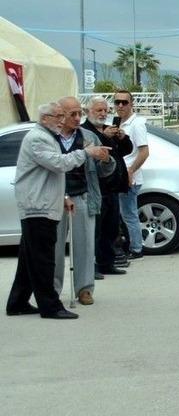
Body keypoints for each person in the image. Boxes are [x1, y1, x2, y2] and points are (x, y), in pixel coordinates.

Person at [6, 102, 110, 319]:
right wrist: (86, 152)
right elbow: (59, 164)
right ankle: (50, 306)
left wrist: (62, 197)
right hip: (38, 207)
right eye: (58, 116)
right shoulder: (39, 138)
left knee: (29, 259)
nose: (62, 120)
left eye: (66, 115)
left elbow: (51, 174)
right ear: (45, 119)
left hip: (44, 203)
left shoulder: (46, 136)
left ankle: (17, 302)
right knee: (44, 259)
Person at [53, 96, 117, 306]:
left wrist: (106, 160)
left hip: (82, 195)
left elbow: (104, 170)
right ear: (60, 115)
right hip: (55, 198)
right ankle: (52, 290)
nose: (77, 118)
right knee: (54, 247)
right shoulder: (50, 137)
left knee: (85, 246)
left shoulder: (88, 136)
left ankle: (85, 289)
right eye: (73, 114)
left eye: (79, 113)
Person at [82, 96, 133, 273]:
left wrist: (122, 137)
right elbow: (91, 155)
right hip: (96, 189)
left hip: (112, 188)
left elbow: (126, 151)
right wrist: (103, 137)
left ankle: (107, 263)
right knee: (94, 230)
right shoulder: (84, 132)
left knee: (110, 229)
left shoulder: (108, 130)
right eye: (99, 110)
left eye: (105, 110)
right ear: (88, 112)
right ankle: (91, 268)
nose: (103, 114)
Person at [114, 90, 149, 261]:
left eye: (124, 102)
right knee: (123, 214)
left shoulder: (136, 124)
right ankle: (131, 246)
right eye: (117, 102)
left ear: (131, 104)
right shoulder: (118, 123)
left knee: (129, 214)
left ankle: (136, 248)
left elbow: (144, 152)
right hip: (119, 175)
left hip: (129, 177)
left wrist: (130, 171)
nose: (120, 105)